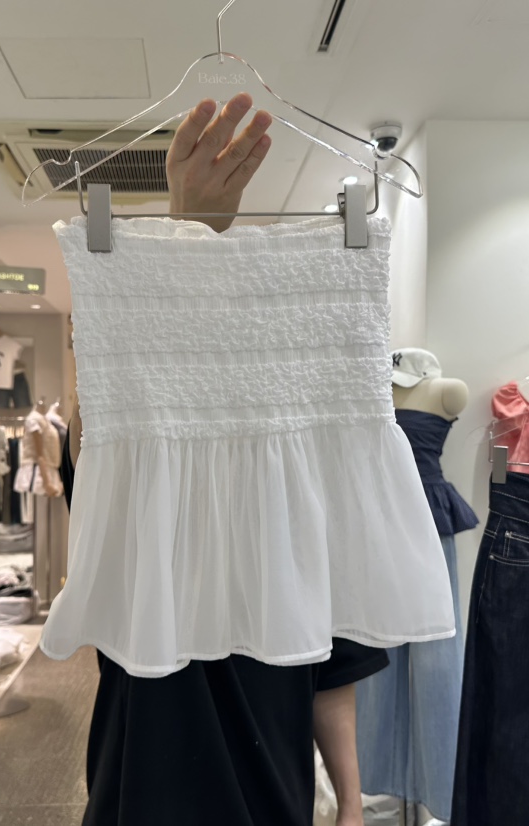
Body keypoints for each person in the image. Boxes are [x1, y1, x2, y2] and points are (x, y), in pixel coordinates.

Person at [61, 92, 384, 826]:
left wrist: (351, 802)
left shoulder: (302, 471)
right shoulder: (133, 460)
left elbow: (333, 656)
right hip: (138, 787)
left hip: (271, 787)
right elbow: (104, 431)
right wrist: (190, 235)